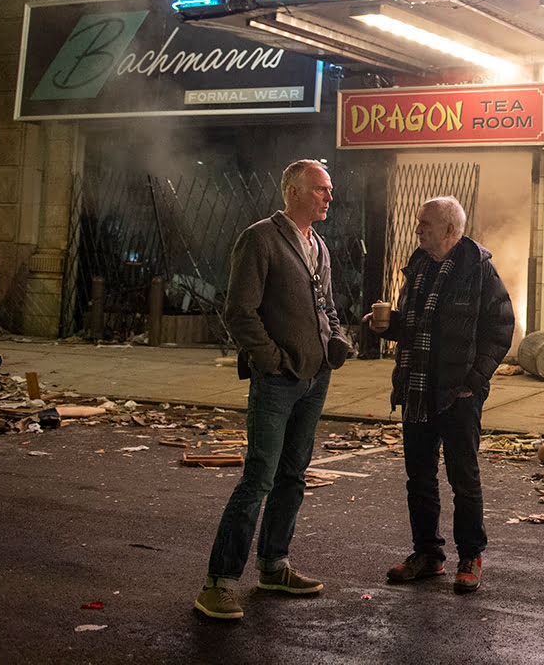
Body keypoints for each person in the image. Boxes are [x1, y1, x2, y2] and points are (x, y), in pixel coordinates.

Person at [193, 159, 352, 620]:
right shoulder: (260, 238)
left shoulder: (317, 244)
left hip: (315, 376)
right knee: (259, 476)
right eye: (320, 189)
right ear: (293, 192)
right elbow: (239, 312)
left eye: (329, 189)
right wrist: (273, 361)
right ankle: (218, 583)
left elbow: (327, 303)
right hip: (279, 380)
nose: (328, 197)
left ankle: (274, 565)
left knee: (293, 474)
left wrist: (334, 341)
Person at [366, 196, 513, 594]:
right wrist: (388, 326)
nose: (418, 230)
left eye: (425, 224)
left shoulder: (478, 271)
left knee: (463, 479)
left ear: (450, 229)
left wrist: (475, 381)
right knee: (419, 478)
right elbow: (418, 328)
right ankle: (428, 554)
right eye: (419, 223)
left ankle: (470, 556)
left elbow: (501, 329)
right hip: (417, 389)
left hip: (457, 394)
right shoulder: (418, 267)